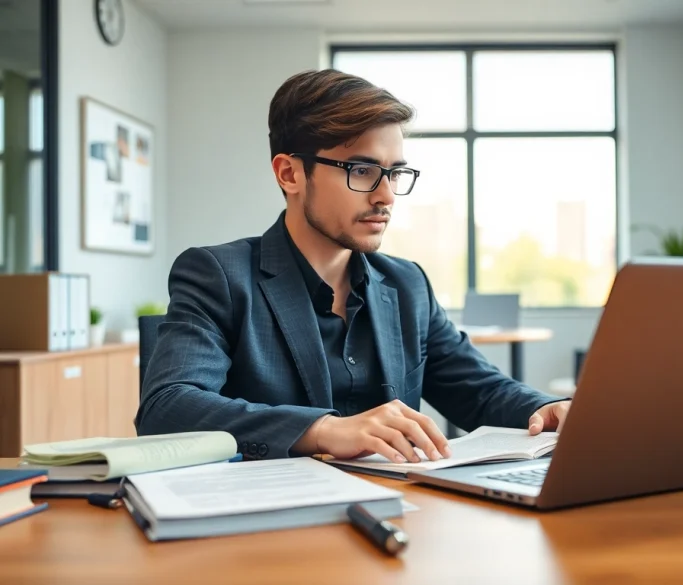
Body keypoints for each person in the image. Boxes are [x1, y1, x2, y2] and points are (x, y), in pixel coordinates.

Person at [134, 70, 571, 463]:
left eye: (394, 173)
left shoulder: (407, 284)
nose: (386, 196)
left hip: (397, 519)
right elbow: (167, 406)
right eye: (361, 170)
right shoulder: (219, 275)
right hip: (269, 529)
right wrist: (323, 430)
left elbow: (480, 390)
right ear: (290, 174)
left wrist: (543, 408)